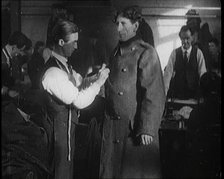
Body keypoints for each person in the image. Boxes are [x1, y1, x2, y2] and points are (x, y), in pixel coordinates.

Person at [99, 6, 165, 179]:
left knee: (134, 173)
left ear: (135, 26)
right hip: (114, 128)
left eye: (123, 23)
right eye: (117, 24)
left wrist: (147, 129)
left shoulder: (146, 52)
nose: (118, 28)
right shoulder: (115, 52)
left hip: (135, 131)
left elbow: (154, 93)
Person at [41, 19, 109, 179]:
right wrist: (98, 83)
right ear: (61, 42)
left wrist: (94, 79)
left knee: (66, 171)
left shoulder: (64, 66)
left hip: (66, 133)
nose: (77, 46)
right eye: (74, 42)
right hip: (56, 136)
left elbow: (79, 82)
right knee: (59, 173)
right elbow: (77, 100)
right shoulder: (53, 72)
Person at [163, 25, 207, 100]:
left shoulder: (198, 53)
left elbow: (203, 75)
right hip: (177, 96)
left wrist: (203, 95)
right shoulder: (174, 53)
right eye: (183, 38)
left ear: (192, 38)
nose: (185, 41)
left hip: (194, 97)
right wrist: (164, 94)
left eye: (187, 38)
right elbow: (167, 74)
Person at [1, 31, 31, 100]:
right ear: (14, 47)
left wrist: (16, 81)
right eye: (20, 50)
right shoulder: (3, 60)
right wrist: (8, 92)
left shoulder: (7, 58)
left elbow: (5, 77)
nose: (21, 54)